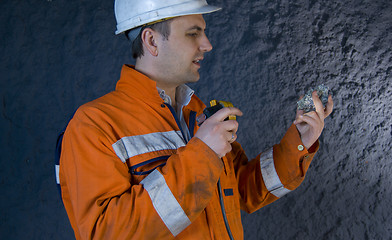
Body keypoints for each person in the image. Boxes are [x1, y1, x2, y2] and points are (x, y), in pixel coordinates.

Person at [57, 0, 334, 239]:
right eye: (193, 33)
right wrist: (202, 153)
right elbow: (104, 233)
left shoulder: (196, 111)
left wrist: (300, 141)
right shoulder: (95, 125)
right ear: (151, 41)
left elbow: (242, 189)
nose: (207, 44)